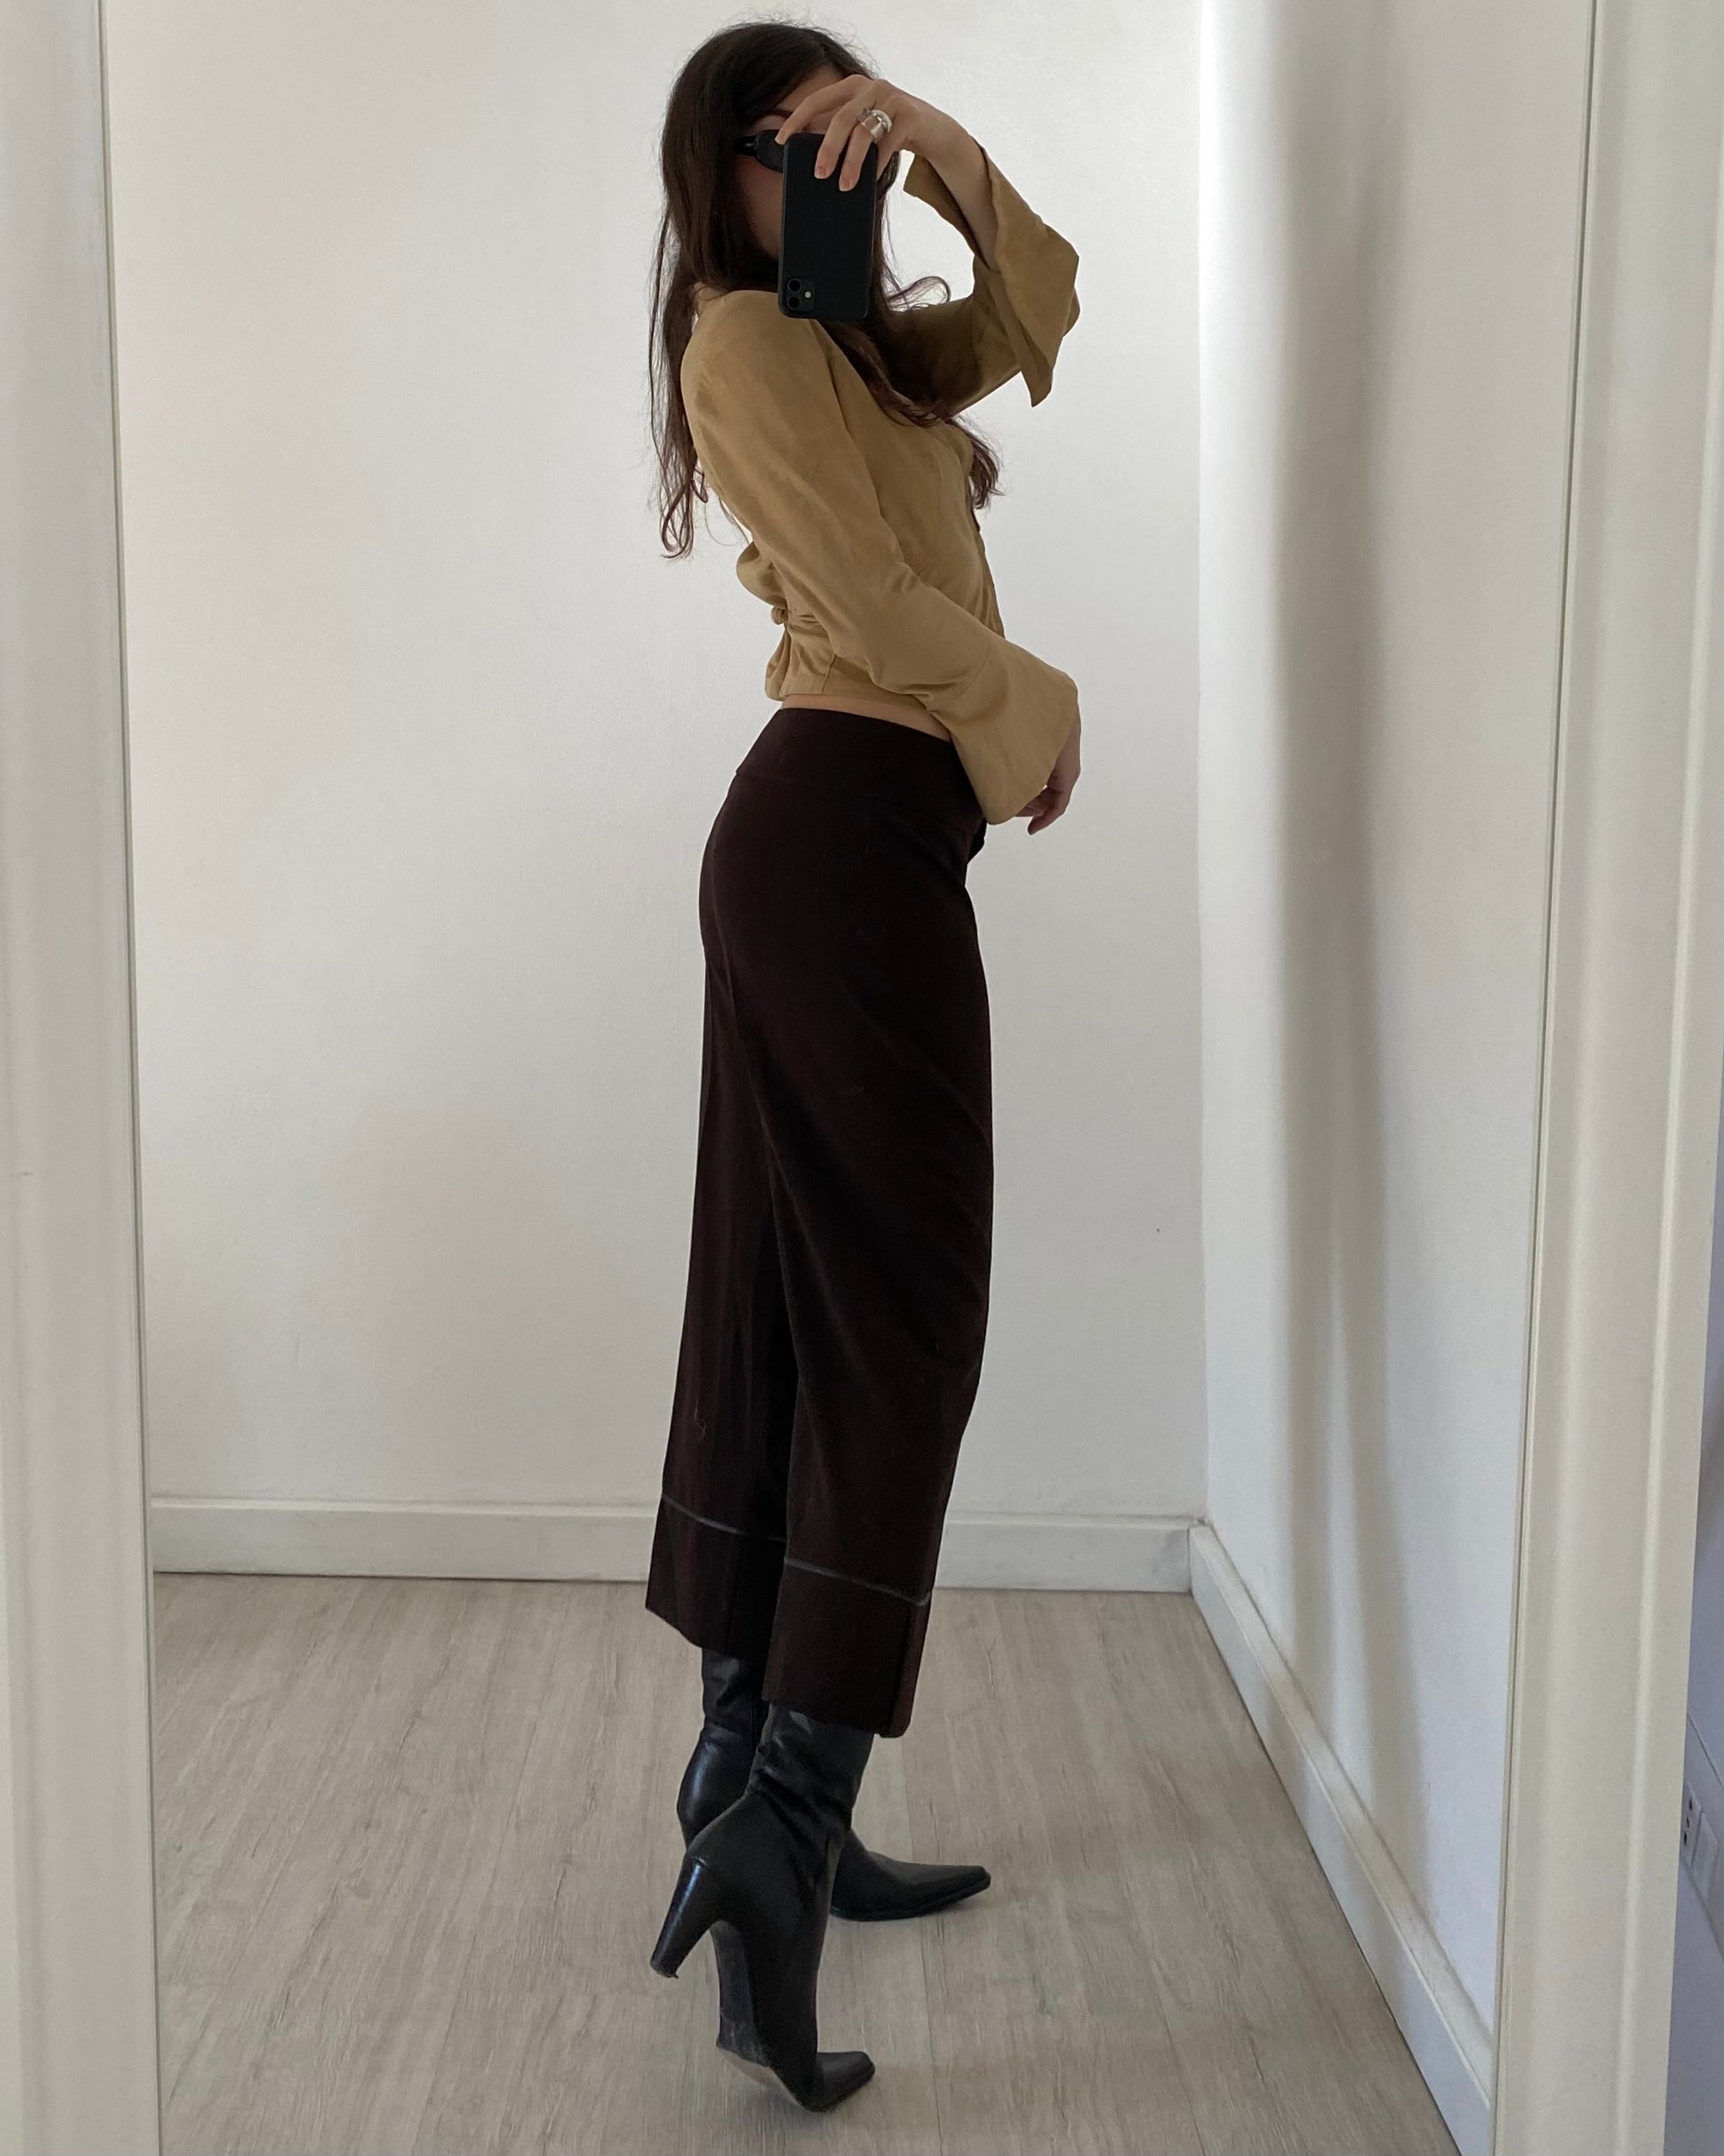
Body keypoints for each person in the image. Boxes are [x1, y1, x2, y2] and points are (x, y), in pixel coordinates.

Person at [641, 20, 1082, 2112]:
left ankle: (748, 1771)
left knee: (801, 1309)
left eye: (845, 132)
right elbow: (875, 605)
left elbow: (1038, 309)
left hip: (856, 840)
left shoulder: (863, 346)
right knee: (903, 1320)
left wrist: (942, 149)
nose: (825, 168)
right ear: (711, 170)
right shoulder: (741, 345)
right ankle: (786, 1818)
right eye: (788, 139)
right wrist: (1035, 706)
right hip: (835, 832)